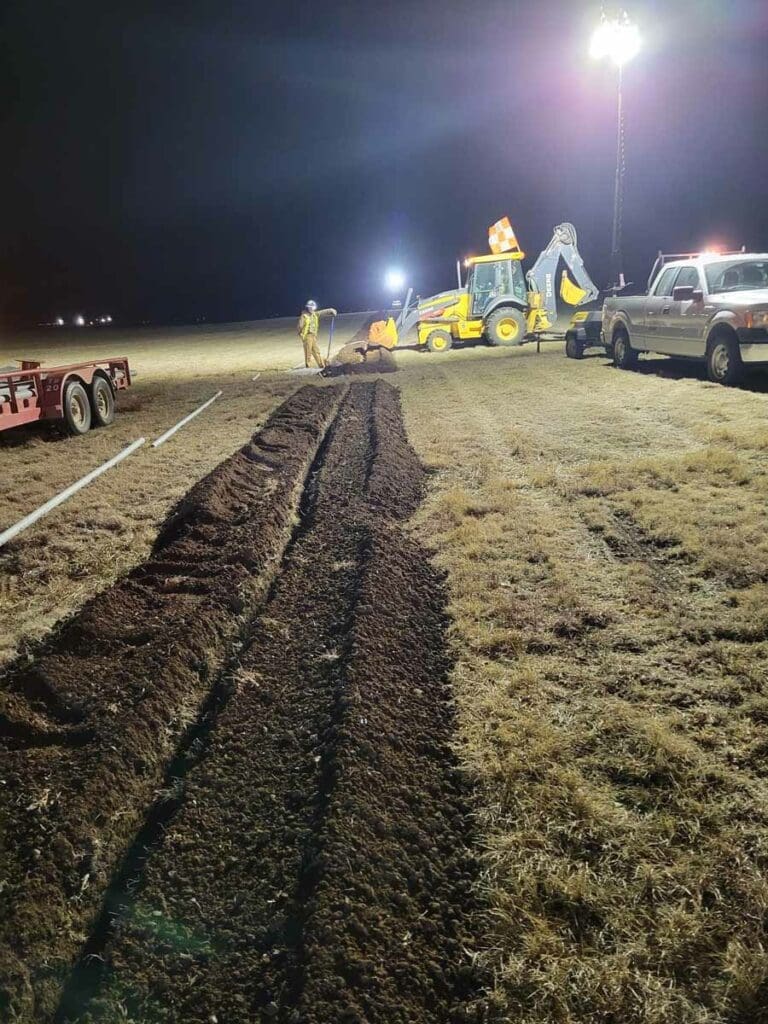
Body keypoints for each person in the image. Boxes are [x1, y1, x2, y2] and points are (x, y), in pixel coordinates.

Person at [297, 300, 337, 369]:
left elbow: (323, 312)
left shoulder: (315, 314)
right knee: (308, 351)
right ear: (308, 308)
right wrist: (301, 334)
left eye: (312, 307)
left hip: (313, 336)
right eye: (310, 307)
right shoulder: (304, 316)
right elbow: (299, 326)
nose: (311, 308)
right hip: (307, 336)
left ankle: (321, 365)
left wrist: (331, 310)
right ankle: (308, 366)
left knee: (316, 351)